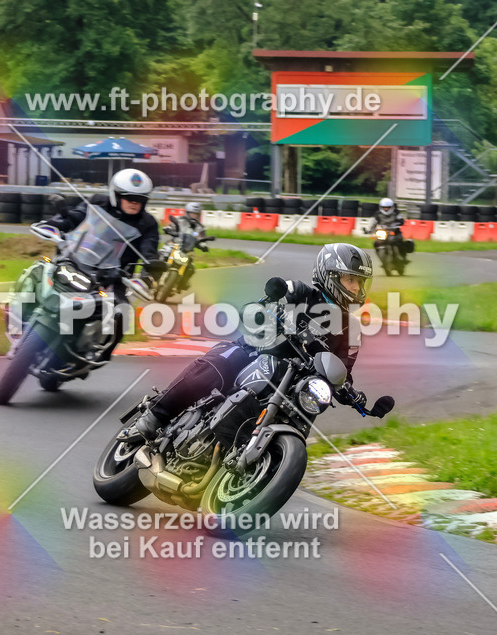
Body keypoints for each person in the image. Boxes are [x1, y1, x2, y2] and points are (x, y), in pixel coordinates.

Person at [123, 243, 389, 441]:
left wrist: (351, 392)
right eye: (350, 280)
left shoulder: (350, 329)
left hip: (294, 383)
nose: (356, 288)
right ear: (329, 276)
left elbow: (342, 369)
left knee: (307, 410)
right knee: (223, 363)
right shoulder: (299, 291)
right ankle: (155, 415)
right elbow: (268, 300)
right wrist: (269, 309)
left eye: (360, 282)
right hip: (257, 352)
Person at [45, 168, 163, 360]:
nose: (135, 203)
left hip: (115, 276)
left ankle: (100, 353)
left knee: (121, 311)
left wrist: (148, 275)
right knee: (45, 270)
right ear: (115, 195)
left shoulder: (147, 223)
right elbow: (76, 216)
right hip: (79, 260)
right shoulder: (97, 202)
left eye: (140, 199)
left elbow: (149, 252)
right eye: (129, 197)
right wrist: (55, 225)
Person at [161, 201, 209, 289]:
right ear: (187, 212)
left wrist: (203, 245)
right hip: (174, 244)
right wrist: (168, 229)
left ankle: (181, 284)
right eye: (192, 213)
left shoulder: (200, 227)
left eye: (196, 214)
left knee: (191, 268)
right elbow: (171, 226)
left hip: (187, 250)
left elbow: (201, 238)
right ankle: (151, 275)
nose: (194, 216)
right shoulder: (179, 220)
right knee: (161, 253)